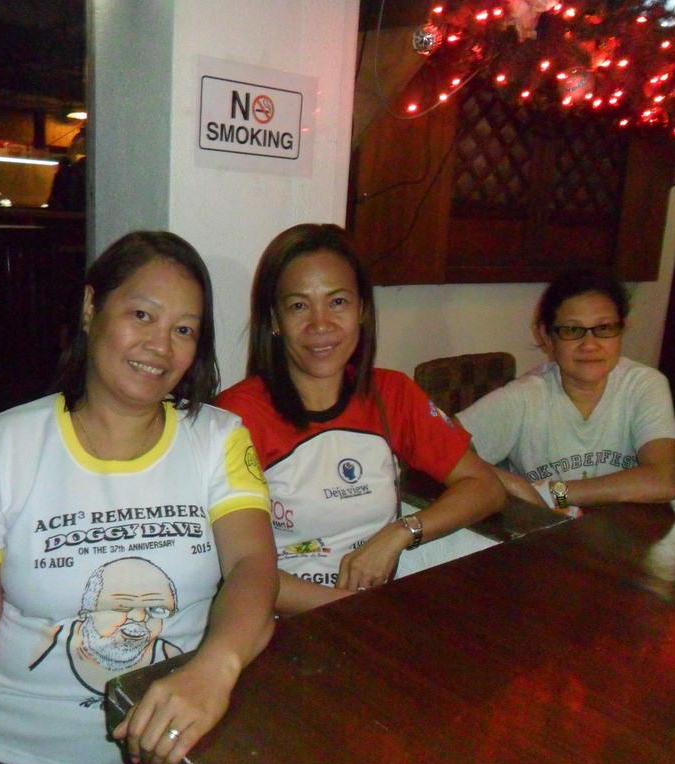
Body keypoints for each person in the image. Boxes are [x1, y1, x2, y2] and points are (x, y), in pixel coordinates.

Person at [0, 231, 278, 764]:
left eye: (183, 330)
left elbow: (252, 563)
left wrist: (213, 669)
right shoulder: (4, 445)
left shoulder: (217, 437)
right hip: (11, 743)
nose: (160, 347)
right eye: (142, 315)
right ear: (90, 308)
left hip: (171, 737)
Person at [215, 223, 536, 617]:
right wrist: (359, 611)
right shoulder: (237, 416)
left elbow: (484, 487)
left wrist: (402, 532)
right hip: (278, 622)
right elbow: (235, 568)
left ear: (362, 310)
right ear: (275, 319)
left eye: (338, 302)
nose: (321, 324)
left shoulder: (392, 393)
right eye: (299, 306)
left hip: (372, 614)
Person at [456, 268, 675, 517]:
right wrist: (513, 485)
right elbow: (439, 447)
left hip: (625, 533)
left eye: (604, 328)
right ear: (547, 337)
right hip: (549, 535)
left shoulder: (644, 385)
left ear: (622, 329)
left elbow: (664, 480)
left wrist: (553, 493)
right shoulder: (524, 397)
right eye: (572, 330)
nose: (590, 345)